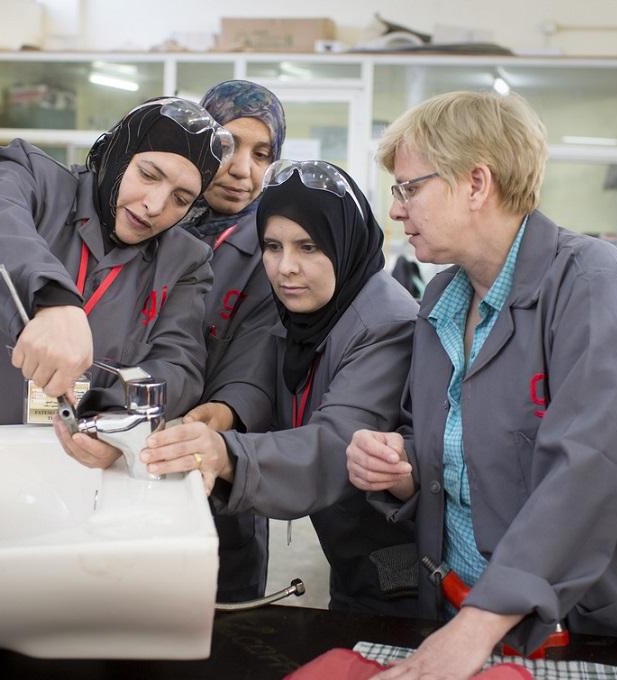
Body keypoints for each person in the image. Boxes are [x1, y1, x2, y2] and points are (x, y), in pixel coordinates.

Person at [345, 91, 617, 679]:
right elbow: (443, 436)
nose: (397, 210)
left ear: (476, 184)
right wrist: (403, 468)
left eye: (409, 188)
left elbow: (588, 466)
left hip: (578, 625)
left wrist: (480, 623)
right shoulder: (441, 300)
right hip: (458, 611)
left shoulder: (590, 283)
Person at [138, 160, 422, 616]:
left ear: (344, 242)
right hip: (346, 549)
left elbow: (336, 444)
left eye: (308, 246)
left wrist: (225, 453)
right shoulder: (305, 310)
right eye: (272, 246)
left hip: (398, 561)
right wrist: (226, 411)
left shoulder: (387, 324)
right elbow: (266, 377)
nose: (286, 267)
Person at [0, 97, 228, 434]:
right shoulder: (33, 178)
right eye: (147, 175)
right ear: (117, 153)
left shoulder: (184, 263)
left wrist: (110, 417)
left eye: (181, 199)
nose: (155, 205)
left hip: (70, 464)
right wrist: (52, 299)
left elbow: (176, 365)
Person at [178, 80, 286, 603]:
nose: (243, 169)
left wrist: (220, 415)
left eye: (261, 154)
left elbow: (266, 355)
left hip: (220, 465)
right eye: (226, 145)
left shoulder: (275, 246)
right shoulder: (151, 219)